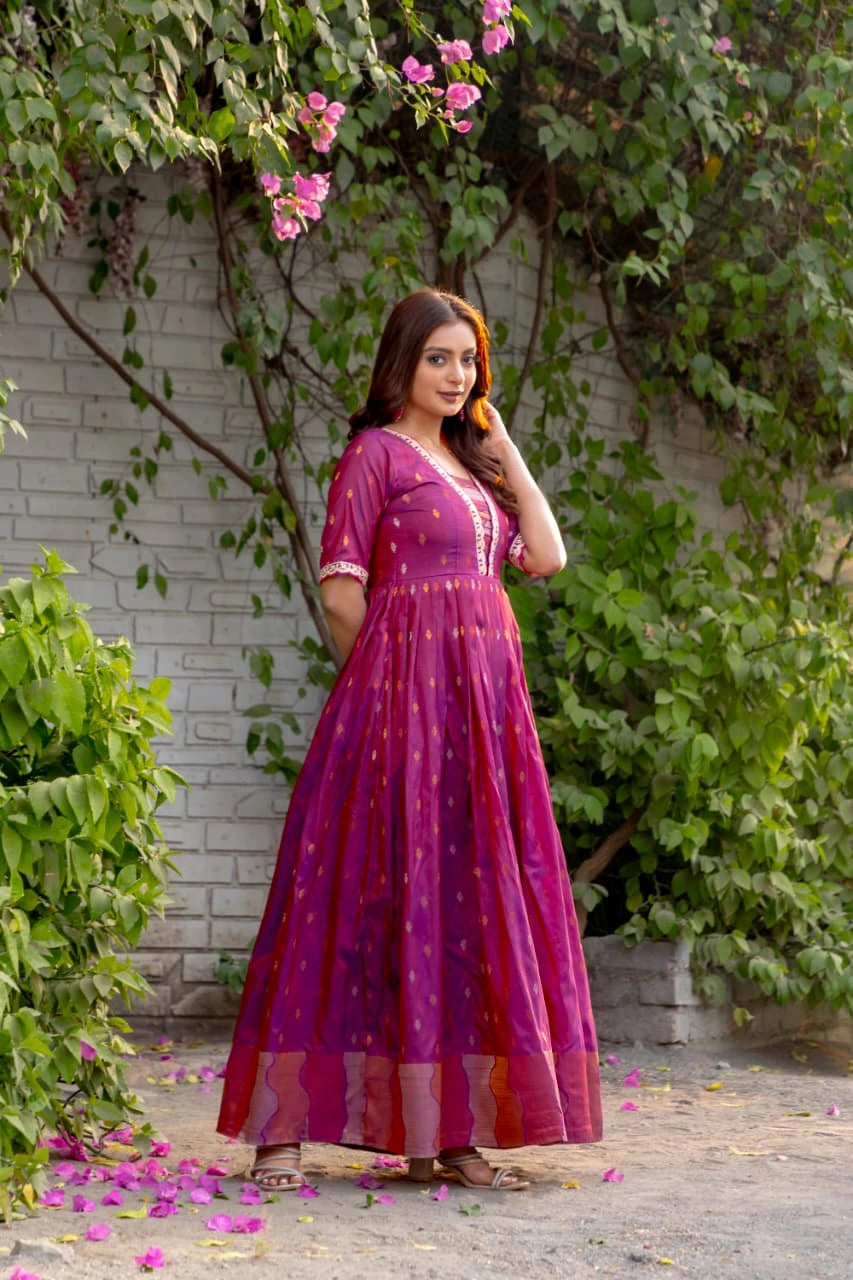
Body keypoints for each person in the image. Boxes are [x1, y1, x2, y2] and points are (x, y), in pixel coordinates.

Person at [216, 288, 602, 1192]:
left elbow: (544, 558)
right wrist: (389, 697)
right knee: (350, 903)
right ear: (402, 363)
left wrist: (501, 444)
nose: (456, 374)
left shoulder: (475, 469)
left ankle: (451, 1132)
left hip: (481, 724)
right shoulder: (372, 458)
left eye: (467, 359)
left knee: (462, 910)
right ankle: (284, 1131)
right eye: (439, 358)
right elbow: (343, 593)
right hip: (396, 714)